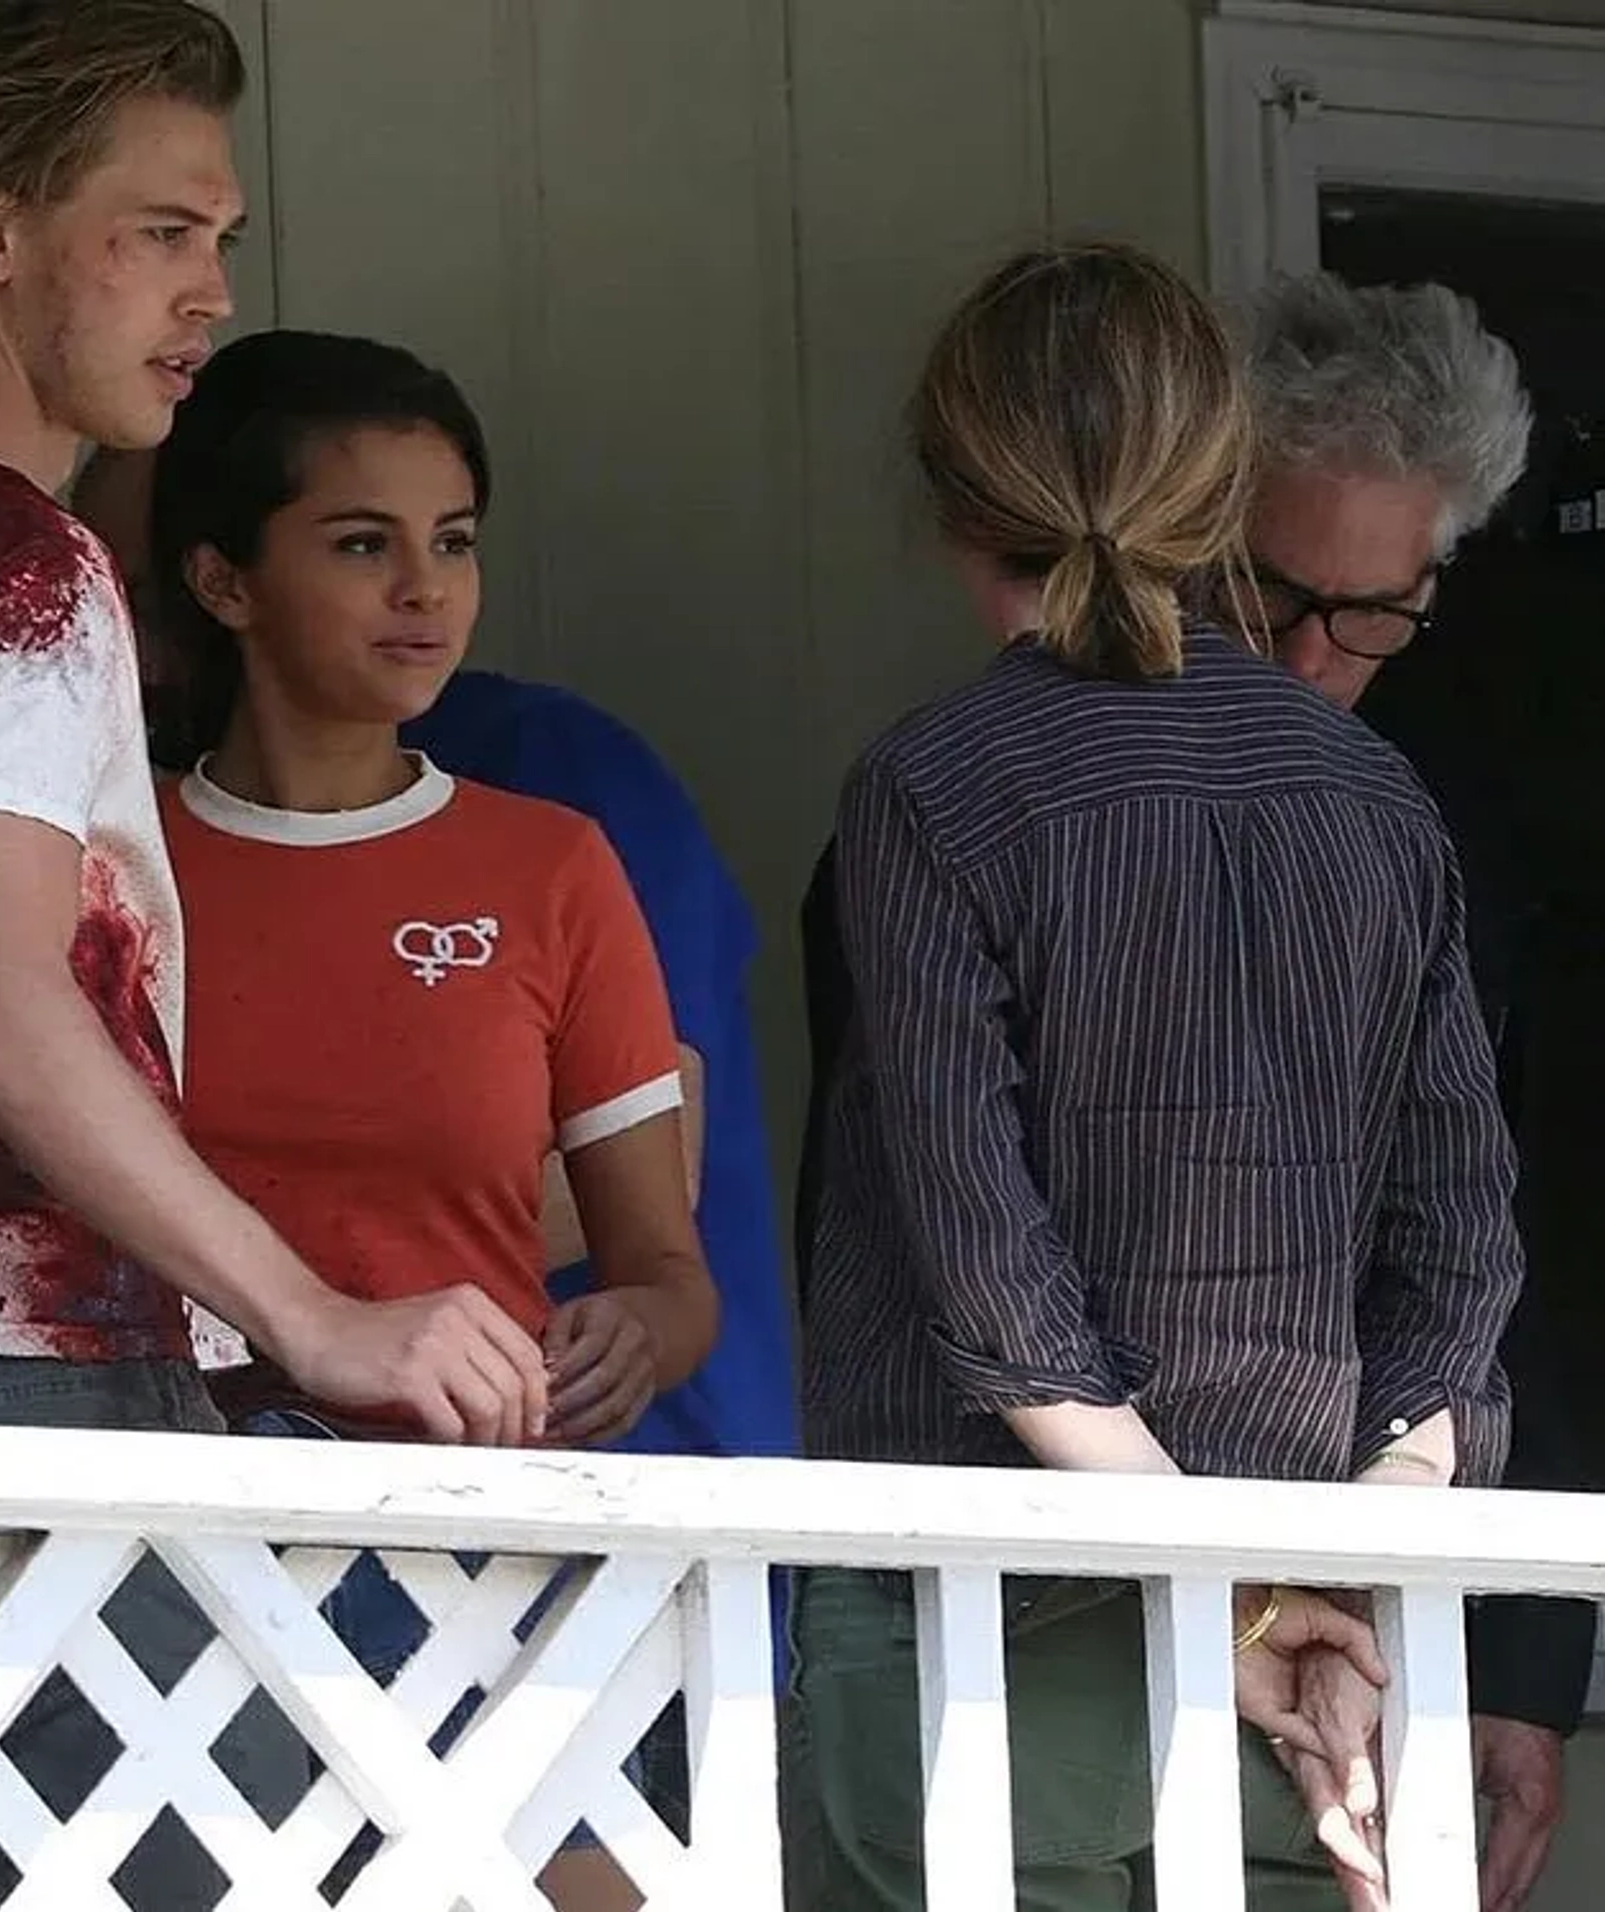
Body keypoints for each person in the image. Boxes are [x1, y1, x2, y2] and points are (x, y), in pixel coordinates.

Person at [0, 2, 546, 1895]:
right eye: (160, 232)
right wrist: (315, 1317)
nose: (210, 292)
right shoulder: (6, 556)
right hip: (1, 1399)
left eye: (217, 241)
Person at [793, 243, 1524, 1912]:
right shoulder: (1376, 798)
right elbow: (1466, 1242)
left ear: (953, 502)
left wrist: (1248, 1590)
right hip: (1319, 1626)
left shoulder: (931, 784)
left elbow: (986, 1267)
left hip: (988, 1591)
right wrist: (1352, 1556)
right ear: (1219, 493)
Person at [144, 326, 719, 1911]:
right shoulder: (108, 868)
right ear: (222, 579)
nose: (426, 590)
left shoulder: (550, 866)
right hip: (183, 1539)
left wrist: (638, 1337)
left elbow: (664, 1267)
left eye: (453, 543)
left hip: (490, 1537)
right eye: (361, 543)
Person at [1237, 271, 1579, 1912]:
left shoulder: (1475, 815)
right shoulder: (1023, 786)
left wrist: (1522, 1651)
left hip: (1417, 1557)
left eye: (1369, 613)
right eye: (1271, 594)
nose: (1314, 656)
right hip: (1086, 1565)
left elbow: (1539, 1231)